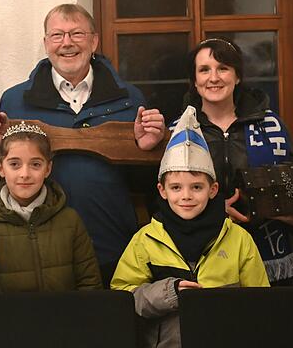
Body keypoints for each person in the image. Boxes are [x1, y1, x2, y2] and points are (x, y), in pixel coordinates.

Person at [0, 3, 165, 285]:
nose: (67, 43)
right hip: (42, 253)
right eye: (57, 35)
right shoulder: (15, 101)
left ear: (94, 41)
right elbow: (3, 176)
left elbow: (145, 184)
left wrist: (148, 149)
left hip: (112, 245)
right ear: (46, 43)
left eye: (77, 33)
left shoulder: (130, 100)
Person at [111, 105, 269, 348]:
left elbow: (261, 302)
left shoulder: (238, 239)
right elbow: (123, 297)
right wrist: (169, 292)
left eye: (196, 187)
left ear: (213, 190)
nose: (186, 196)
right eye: (176, 187)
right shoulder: (146, 240)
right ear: (162, 191)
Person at [181, 38, 293, 285]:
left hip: (270, 259)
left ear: (238, 76)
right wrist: (213, 210)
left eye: (223, 68)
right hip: (203, 262)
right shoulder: (180, 131)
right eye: (204, 70)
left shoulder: (272, 125)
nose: (214, 77)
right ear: (194, 80)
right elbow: (163, 198)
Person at [0, 121, 102, 301]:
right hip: (7, 326)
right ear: (1, 168)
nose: (25, 174)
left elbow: (90, 285)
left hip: (63, 325)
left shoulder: (70, 221)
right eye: (15, 164)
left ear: (48, 168)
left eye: (35, 164)